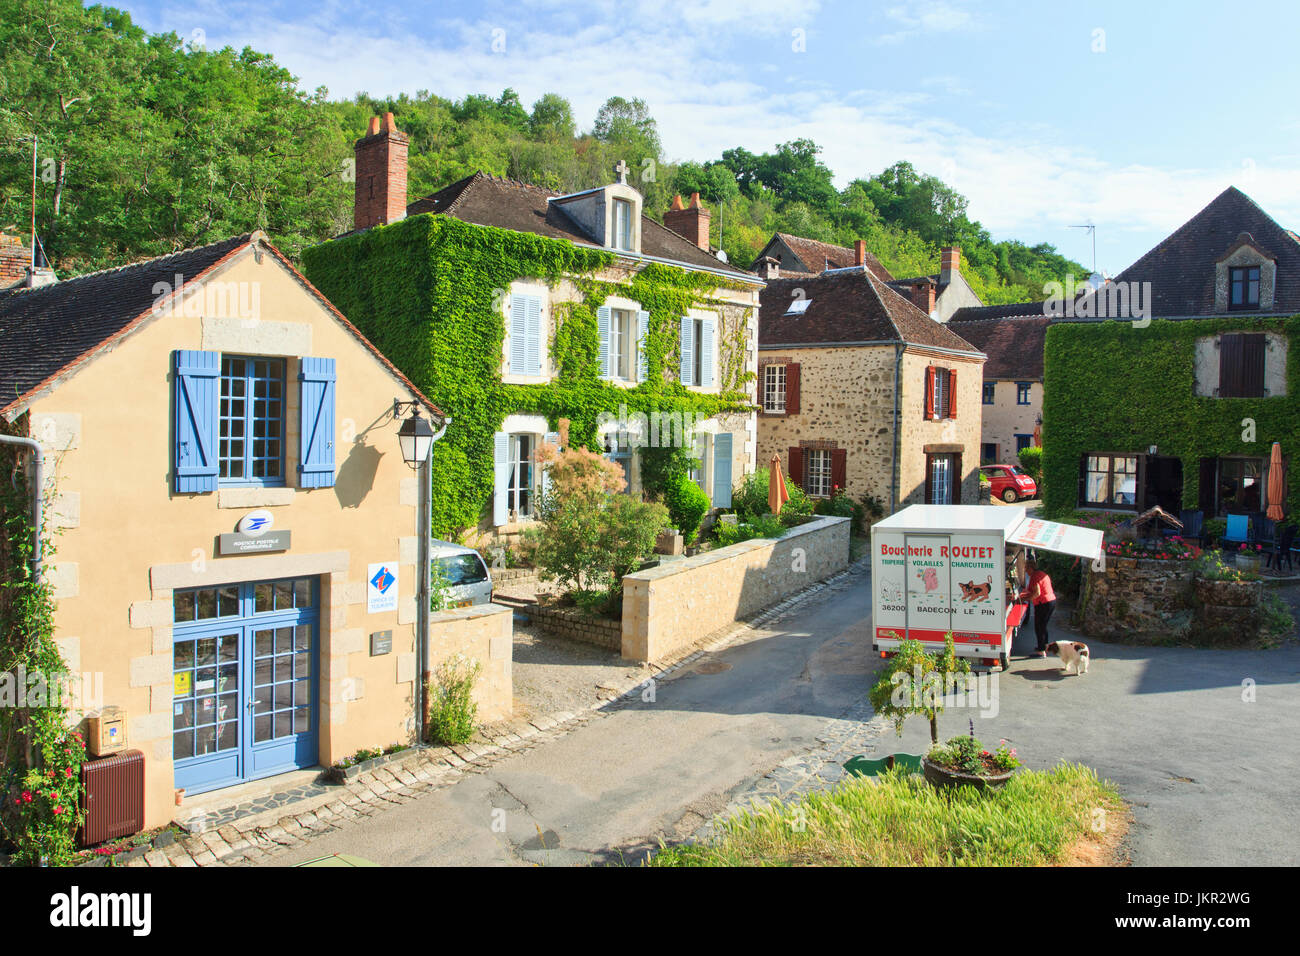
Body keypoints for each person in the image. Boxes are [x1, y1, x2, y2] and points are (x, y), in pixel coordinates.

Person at [1024, 559, 1056, 658]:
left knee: (1039, 627)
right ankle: (1044, 646)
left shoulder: (1034, 576)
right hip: (1051, 601)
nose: (1025, 571)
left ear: (1030, 568)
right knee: (1043, 625)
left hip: (1043, 603)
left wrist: (1026, 600)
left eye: (1026, 568)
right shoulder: (1041, 573)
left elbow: (1037, 593)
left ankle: (1041, 652)